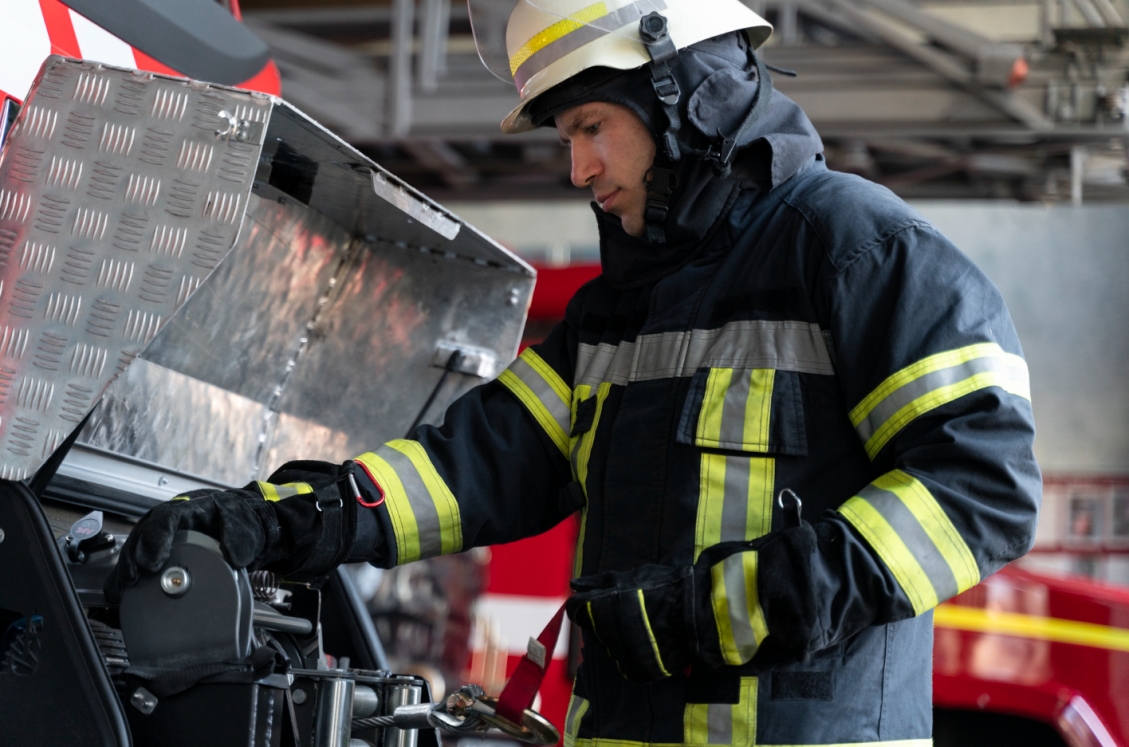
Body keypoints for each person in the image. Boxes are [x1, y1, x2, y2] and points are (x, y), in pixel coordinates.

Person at [107, 1, 1042, 744]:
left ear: (683, 92)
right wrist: (278, 519)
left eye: (590, 125)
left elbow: (981, 485)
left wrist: (726, 610)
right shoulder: (619, 309)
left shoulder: (856, 250)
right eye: (565, 137)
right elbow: (472, 463)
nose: (578, 165)